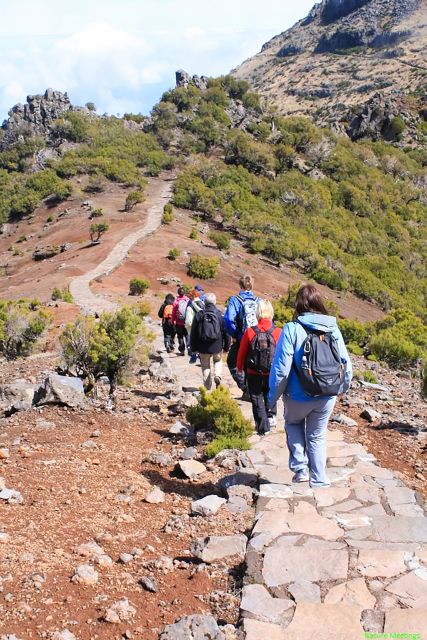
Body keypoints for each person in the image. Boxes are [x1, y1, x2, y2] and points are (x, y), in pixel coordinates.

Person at [268, 284, 352, 488]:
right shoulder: (334, 329)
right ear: (319, 303)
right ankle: (320, 478)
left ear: (298, 305)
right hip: (326, 394)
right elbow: (346, 363)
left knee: (293, 424)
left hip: (297, 396)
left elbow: (281, 370)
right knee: (317, 434)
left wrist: (272, 398)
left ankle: (300, 469)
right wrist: (343, 387)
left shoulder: (292, 329)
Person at [237, 300, 281, 435]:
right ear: (271, 313)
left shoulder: (250, 331)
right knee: (270, 393)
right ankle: (271, 416)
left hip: (253, 372)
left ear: (258, 313)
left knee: (256, 397)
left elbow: (242, 352)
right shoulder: (278, 331)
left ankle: (262, 426)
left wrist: (239, 368)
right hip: (271, 372)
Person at [224, 274, 259, 394]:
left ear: (240, 284)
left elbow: (229, 319)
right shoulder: (258, 300)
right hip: (257, 338)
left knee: (233, 362)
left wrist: (234, 334)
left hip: (241, 338)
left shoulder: (235, 300)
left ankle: (245, 388)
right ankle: (251, 390)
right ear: (252, 285)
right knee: (251, 364)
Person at [190, 292, 230, 390]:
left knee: (205, 365)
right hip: (217, 345)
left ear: (204, 302)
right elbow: (226, 332)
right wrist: (226, 347)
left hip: (203, 346)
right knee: (218, 360)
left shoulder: (199, 315)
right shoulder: (220, 315)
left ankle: (207, 387)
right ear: (215, 302)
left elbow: (193, 333)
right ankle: (217, 375)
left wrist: (193, 348)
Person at [185, 289, 205, 363]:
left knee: (194, 344)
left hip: (194, 329)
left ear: (191, 296)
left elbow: (188, 322)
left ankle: (194, 356)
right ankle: (201, 357)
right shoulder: (203, 303)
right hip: (203, 327)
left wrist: (187, 327)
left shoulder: (190, 306)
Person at [172, 286, 190, 356]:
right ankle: (189, 348)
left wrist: (173, 320)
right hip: (186, 322)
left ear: (178, 293)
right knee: (187, 335)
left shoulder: (176, 301)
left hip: (179, 322)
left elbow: (173, 312)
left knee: (180, 336)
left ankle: (182, 350)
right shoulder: (188, 300)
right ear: (184, 293)